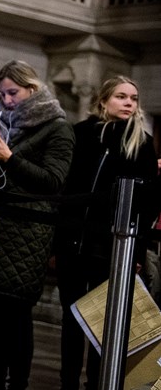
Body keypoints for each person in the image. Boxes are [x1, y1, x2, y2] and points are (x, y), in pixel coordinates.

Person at [0, 60, 74, 390]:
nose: (7, 101)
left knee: (17, 315)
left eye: (13, 92)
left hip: (27, 233)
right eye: (2, 95)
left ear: (33, 90)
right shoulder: (3, 124)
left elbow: (54, 181)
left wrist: (9, 158)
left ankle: (18, 384)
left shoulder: (58, 128)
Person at [55, 75, 158, 390]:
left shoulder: (140, 142)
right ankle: (68, 381)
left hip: (111, 246)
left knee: (101, 321)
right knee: (71, 317)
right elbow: (69, 185)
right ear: (103, 101)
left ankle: (97, 383)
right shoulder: (82, 133)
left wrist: (137, 252)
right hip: (74, 240)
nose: (129, 103)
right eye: (121, 96)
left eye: (134, 98)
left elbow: (146, 205)